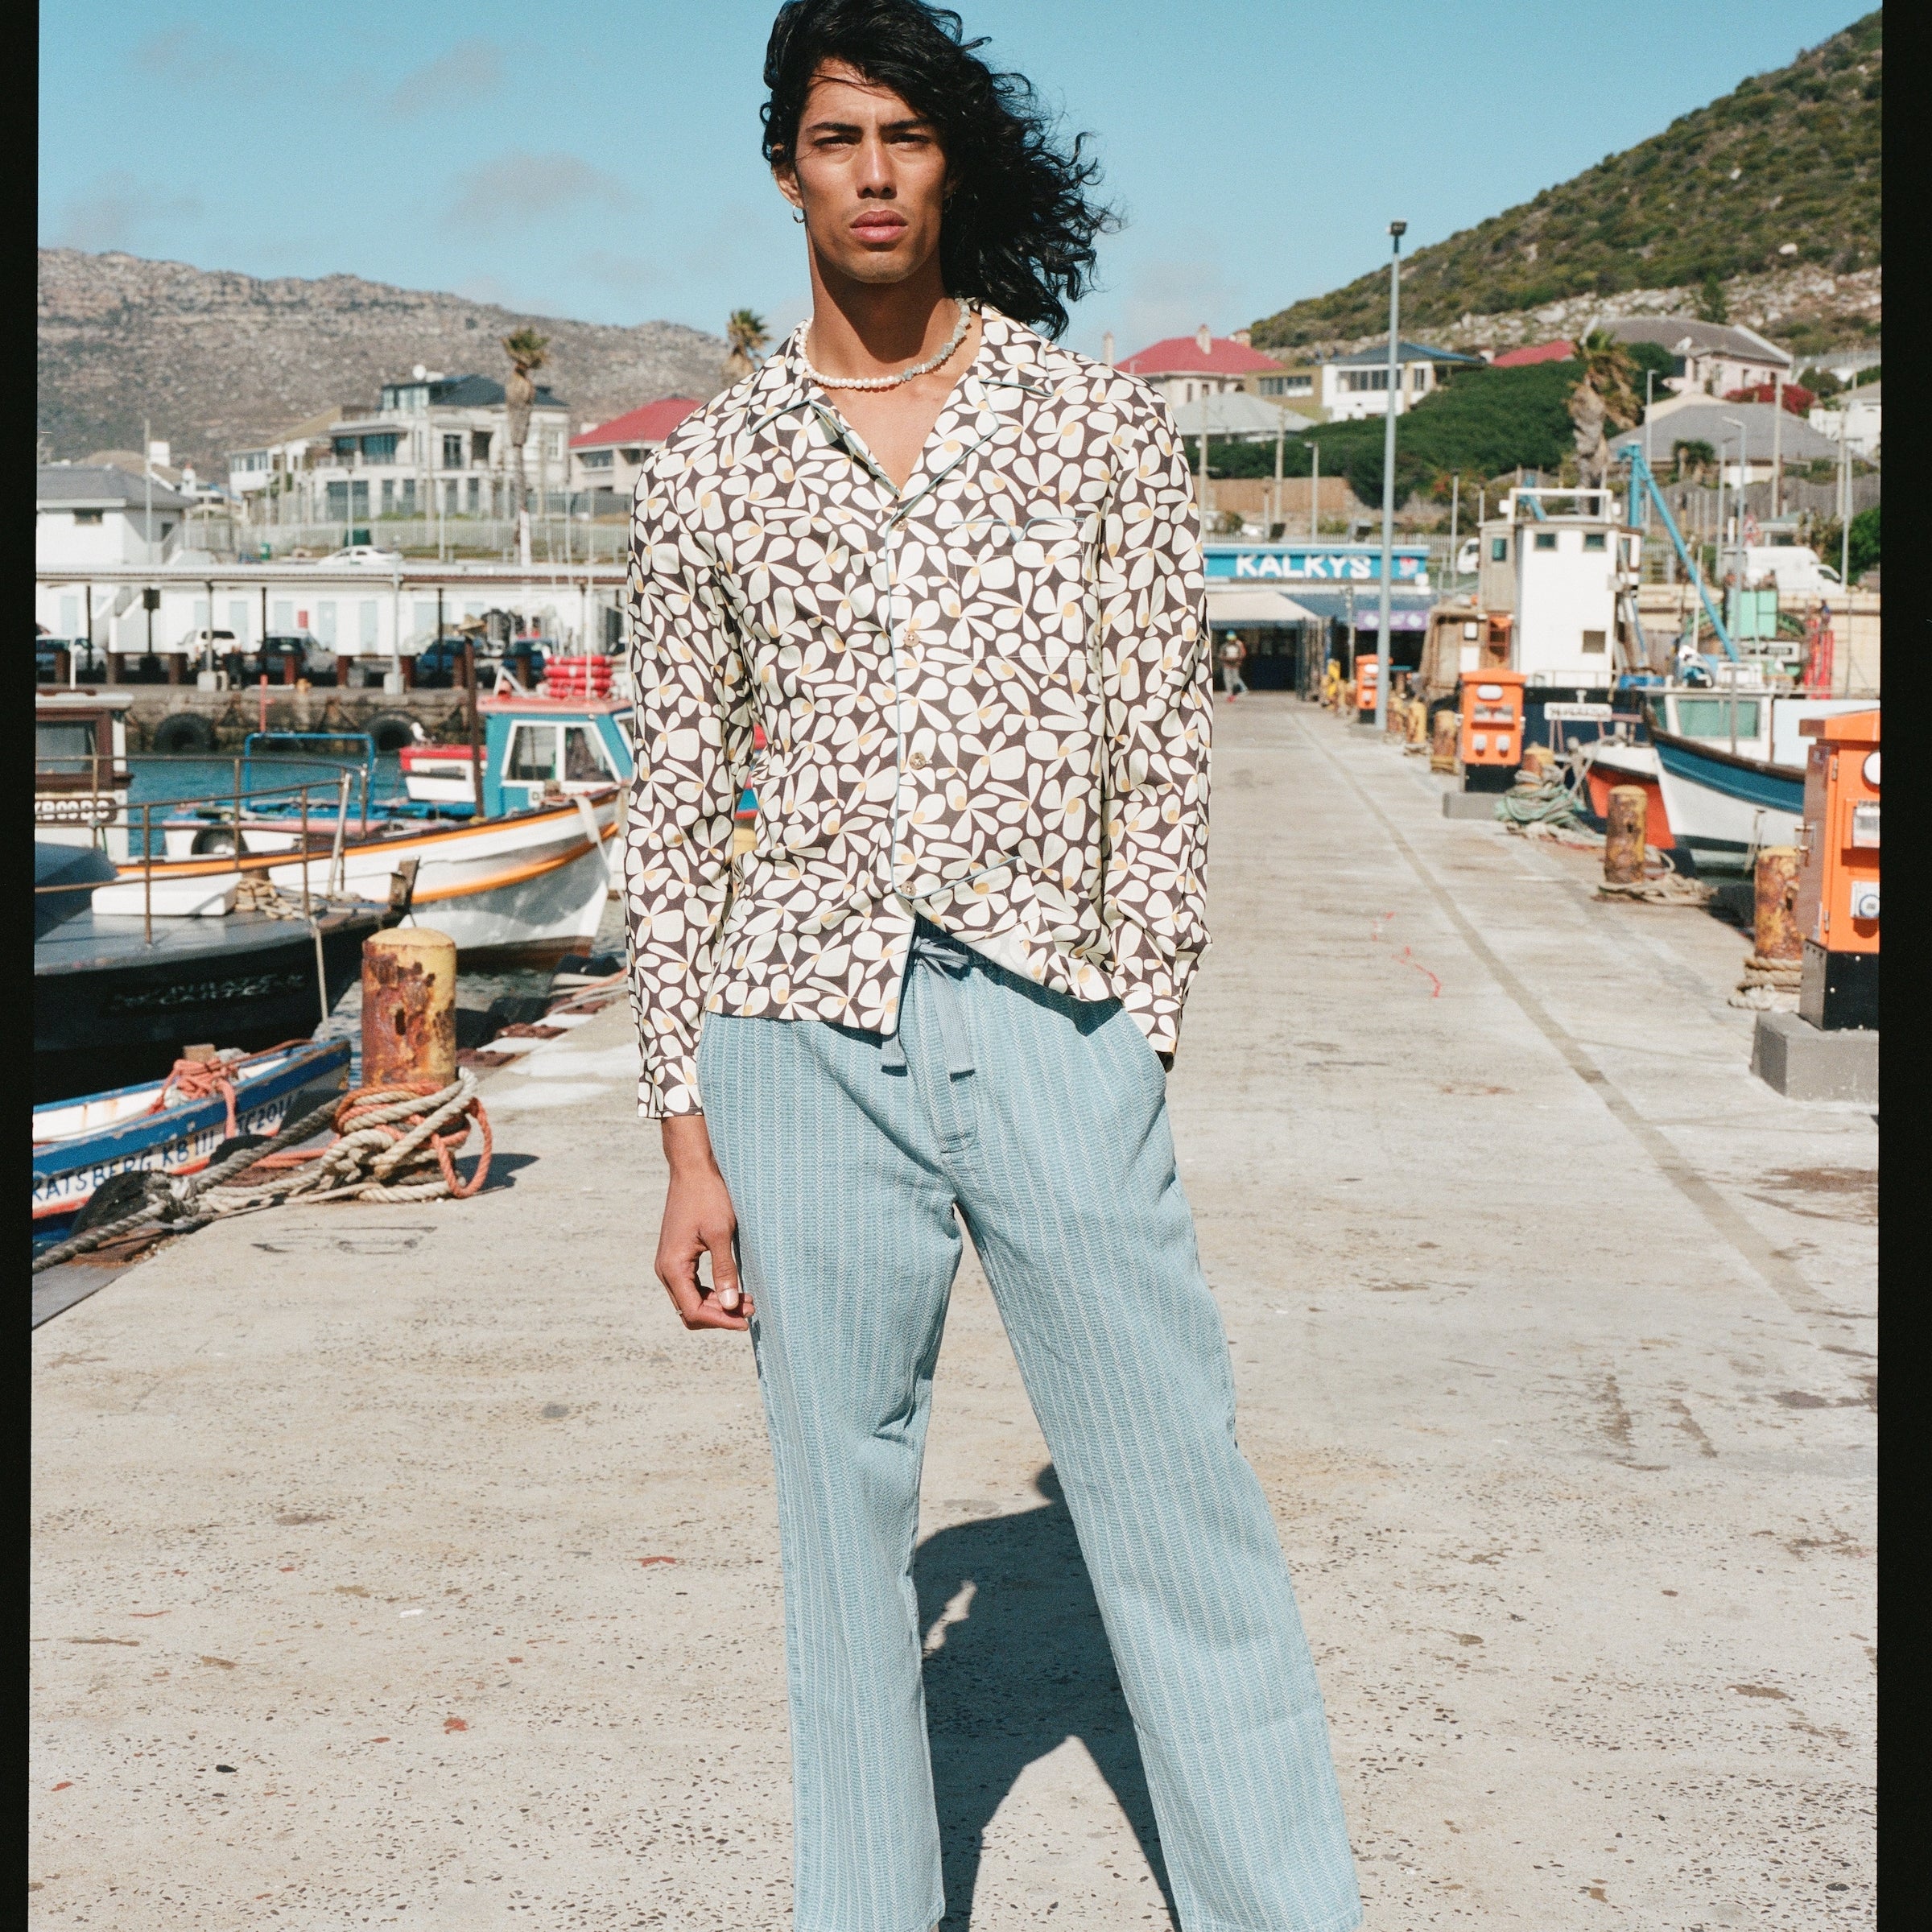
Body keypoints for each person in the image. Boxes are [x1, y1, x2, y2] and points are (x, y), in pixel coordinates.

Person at [625, 5, 1361, 1928]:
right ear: (782, 166)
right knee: (837, 1538)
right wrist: (685, 1125)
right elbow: (675, 803)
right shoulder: (709, 467)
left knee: (1176, 1500)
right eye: (834, 135)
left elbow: (1160, 751)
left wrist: (1138, 1027)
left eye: (906, 136)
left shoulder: (1088, 423)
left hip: (1051, 1011)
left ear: (951, 166)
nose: (871, 171)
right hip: (795, 1035)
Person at [1216, 630, 1249, 700]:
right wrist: (1226, 659)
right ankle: (1229, 693)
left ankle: (1235, 692)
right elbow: (1221, 655)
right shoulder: (1224, 646)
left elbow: (1241, 654)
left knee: (1235, 679)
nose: (1231, 641)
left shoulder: (1237, 646)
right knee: (1227, 679)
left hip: (1235, 665)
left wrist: (1237, 660)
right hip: (1227, 665)